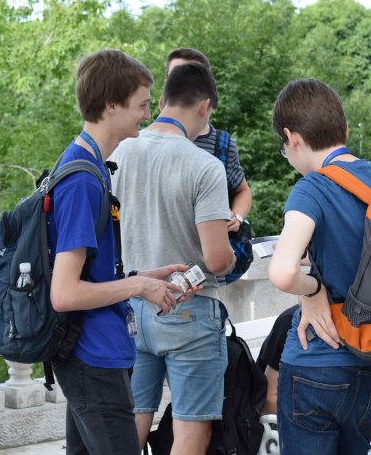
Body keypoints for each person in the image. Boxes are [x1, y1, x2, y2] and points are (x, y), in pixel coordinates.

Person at [48, 49, 193, 454]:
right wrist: (138, 288)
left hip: (93, 353)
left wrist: (141, 278)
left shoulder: (90, 166)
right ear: (111, 105)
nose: (148, 114)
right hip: (93, 356)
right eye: (141, 105)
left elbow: (87, 275)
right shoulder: (82, 180)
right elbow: (65, 293)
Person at [111, 61, 236, 455]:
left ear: (162, 100)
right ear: (204, 106)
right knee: (190, 429)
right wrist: (232, 254)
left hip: (132, 304)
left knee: (131, 419)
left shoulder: (119, 151)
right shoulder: (205, 165)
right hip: (188, 311)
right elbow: (216, 260)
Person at [267, 78, 371, 455]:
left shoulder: (312, 188)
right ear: (345, 129)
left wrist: (314, 290)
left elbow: (283, 272)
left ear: (291, 138)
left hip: (315, 364)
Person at [257, 306, 371, 455]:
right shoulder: (293, 321)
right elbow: (269, 398)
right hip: (304, 417)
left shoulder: (364, 320)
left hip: (354, 411)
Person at [165, 48, 252, 233]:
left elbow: (242, 190)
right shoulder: (145, 142)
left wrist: (237, 217)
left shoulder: (222, 144)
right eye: (178, 76)